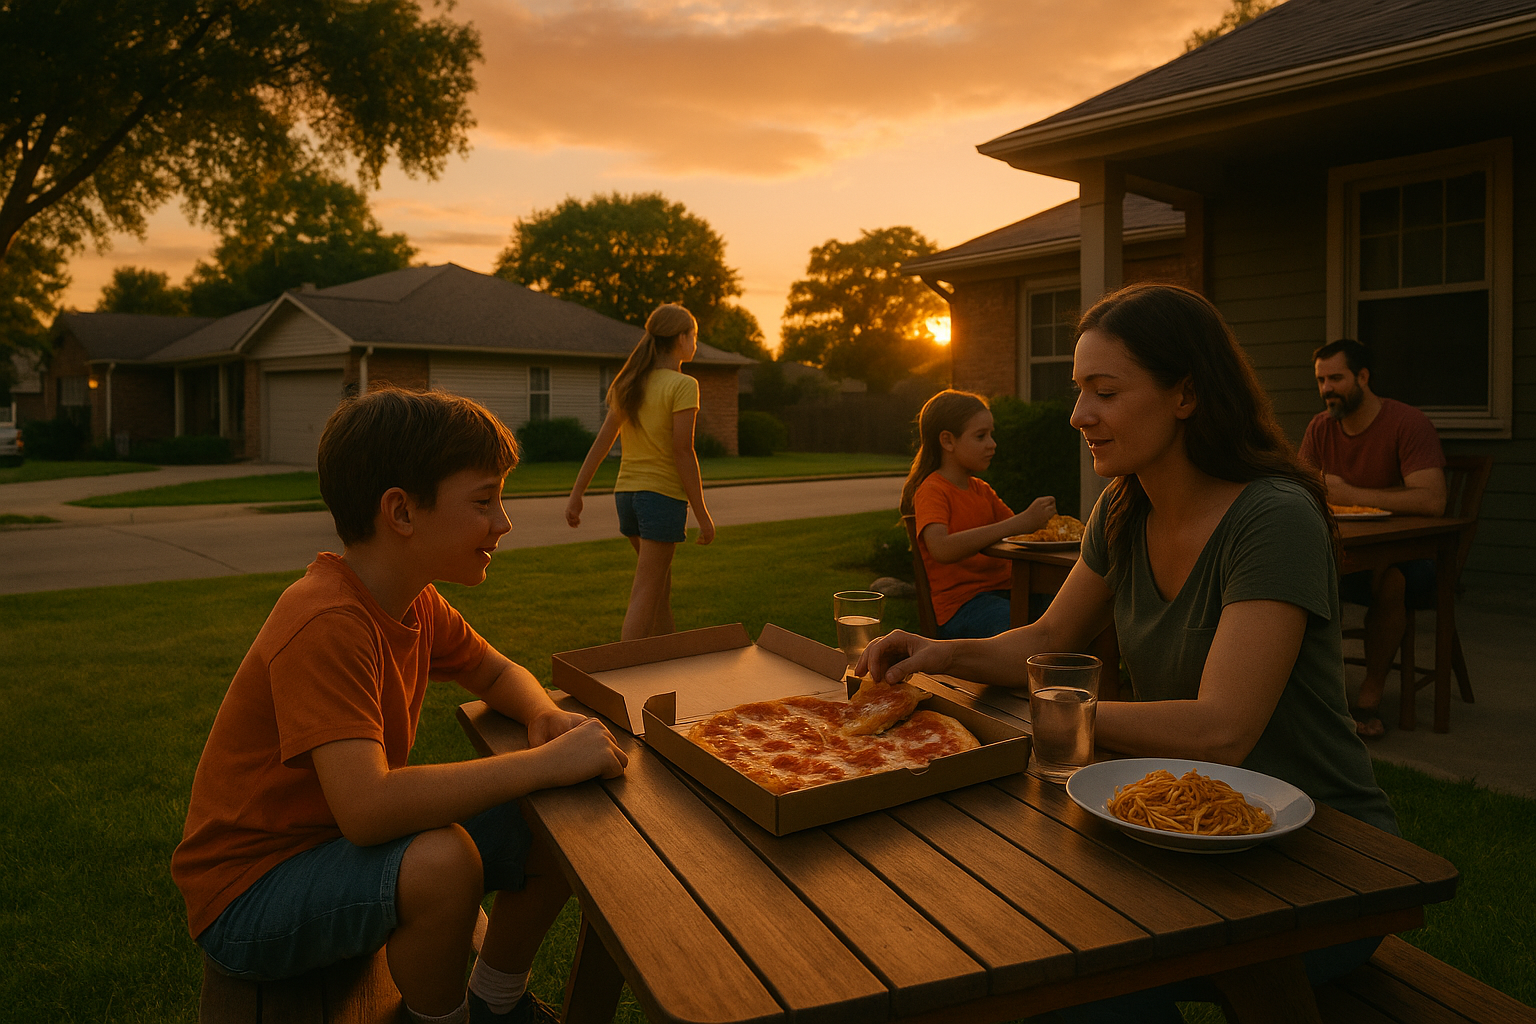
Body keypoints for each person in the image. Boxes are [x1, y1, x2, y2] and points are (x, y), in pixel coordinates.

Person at [858, 284, 1395, 1024]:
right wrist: (937, 652)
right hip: (1174, 829)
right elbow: (1047, 640)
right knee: (1012, 933)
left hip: (1319, 862)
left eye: (1104, 392)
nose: (1079, 414)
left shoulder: (1273, 517)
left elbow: (1221, 730)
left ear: (1186, 394)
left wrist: (1060, 714)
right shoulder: (1123, 505)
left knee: (1063, 973)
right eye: (1080, 391)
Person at [172, 387, 629, 1024]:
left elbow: (494, 669)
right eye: (483, 501)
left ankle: (496, 1000)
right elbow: (367, 809)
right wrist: (546, 762)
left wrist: (540, 716)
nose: (504, 522)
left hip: (332, 852)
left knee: (546, 818)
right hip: (250, 896)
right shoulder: (327, 621)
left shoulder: (410, 600)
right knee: (443, 864)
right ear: (402, 513)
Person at [1300, 339, 1446, 739]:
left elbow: (1433, 500)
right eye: (1321, 380)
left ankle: (1369, 694)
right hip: (1345, 553)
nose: (1327, 388)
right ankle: (1303, 695)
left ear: (1363, 377)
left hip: (1409, 558)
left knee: (1393, 578)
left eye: (1336, 378)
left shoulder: (1407, 423)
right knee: (1290, 572)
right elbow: (1301, 489)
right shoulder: (1319, 427)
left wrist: (1351, 495)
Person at [566, 303, 716, 640]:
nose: (695, 343)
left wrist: (577, 494)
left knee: (659, 587)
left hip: (628, 497)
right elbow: (683, 451)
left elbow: (602, 443)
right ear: (681, 338)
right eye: (694, 336)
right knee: (646, 593)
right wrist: (703, 515)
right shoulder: (683, 385)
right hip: (660, 498)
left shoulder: (630, 383)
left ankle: (669, 660)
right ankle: (624, 679)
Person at [902, 389, 1056, 638]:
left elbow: (1022, 532)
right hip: (963, 606)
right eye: (981, 436)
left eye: (991, 435)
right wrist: (1020, 522)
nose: (992, 444)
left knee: (1069, 613)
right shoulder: (932, 490)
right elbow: (941, 548)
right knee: (1021, 632)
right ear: (948, 441)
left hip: (1008, 591)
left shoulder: (981, 490)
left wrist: (1041, 523)